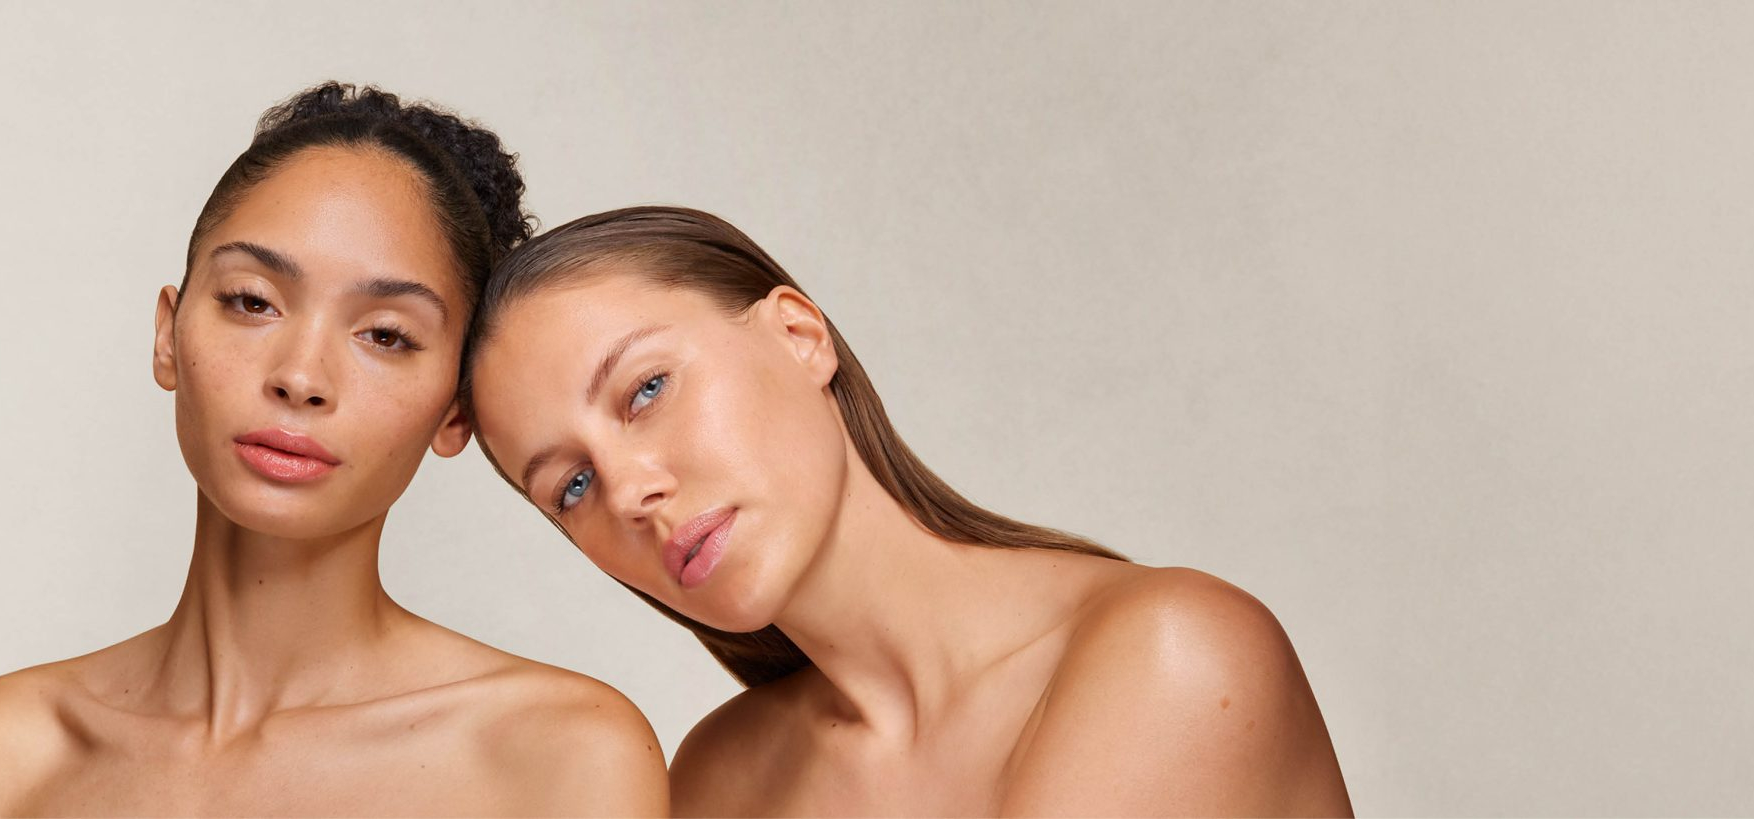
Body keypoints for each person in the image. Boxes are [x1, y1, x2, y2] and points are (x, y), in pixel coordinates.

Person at [0, 84, 668, 816]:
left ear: (456, 412)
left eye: (385, 335)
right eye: (252, 301)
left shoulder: (558, 758)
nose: (300, 377)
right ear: (168, 335)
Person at [462, 205, 1352, 816]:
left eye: (647, 388)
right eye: (570, 486)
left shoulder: (1173, 654)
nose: (628, 491)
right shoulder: (719, 779)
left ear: (798, 335)